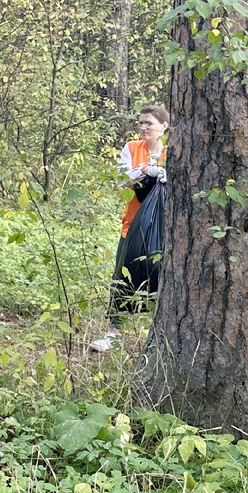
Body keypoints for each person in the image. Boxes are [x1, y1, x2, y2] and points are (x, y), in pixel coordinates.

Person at [89, 104, 169, 353]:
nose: (144, 127)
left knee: (163, 280)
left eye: (149, 123)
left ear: (164, 127)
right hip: (132, 226)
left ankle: (161, 337)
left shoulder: (173, 152)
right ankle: (113, 332)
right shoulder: (133, 148)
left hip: (165, 229)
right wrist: (146, 170)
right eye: (141, 122)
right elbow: (122, 177)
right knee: (123, 276)